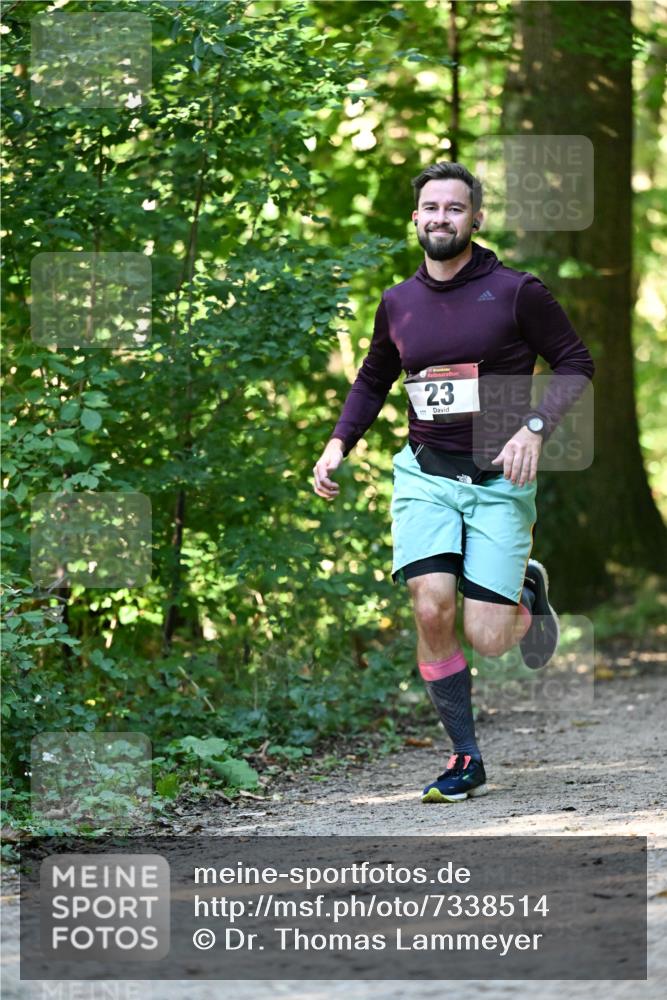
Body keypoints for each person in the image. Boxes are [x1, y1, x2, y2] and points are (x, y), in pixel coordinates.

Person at [312, 162, 594, 804]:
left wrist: (533, 427)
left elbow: (577, 361)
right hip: (425, 474)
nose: (441, 218)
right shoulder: (398, 303)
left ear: (476, 218)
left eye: (454, 208)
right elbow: (372, 378)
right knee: (430, 605)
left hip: (498, 477)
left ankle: (526, 586)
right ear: (416, 218)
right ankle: (464, 754)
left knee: (490, 640)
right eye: (430, 208)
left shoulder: (516, 291)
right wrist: (336, 446)